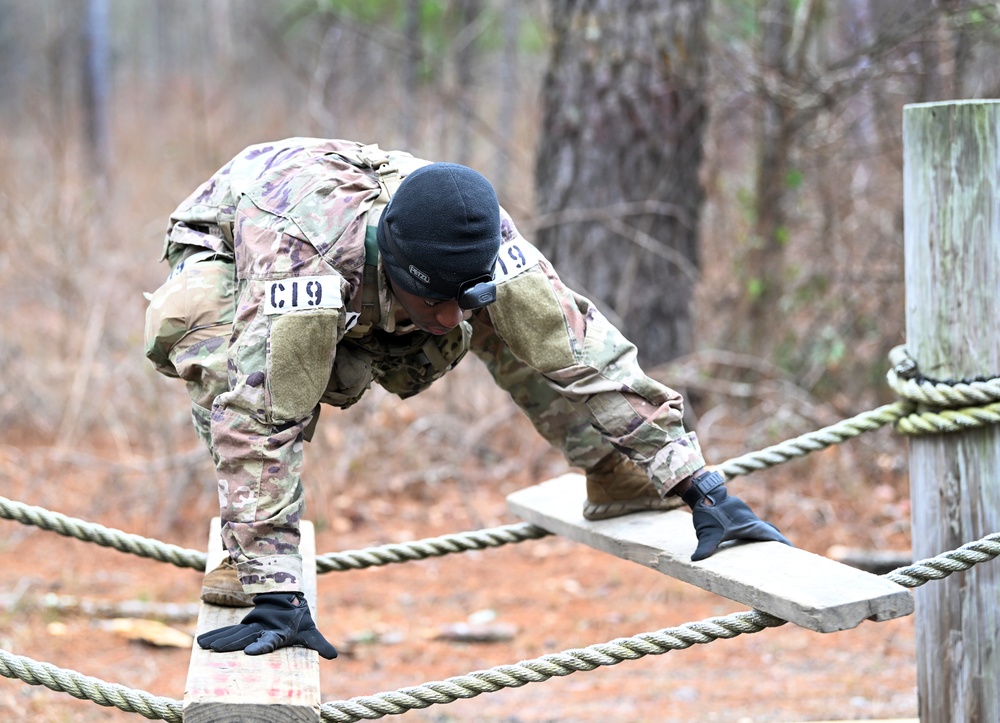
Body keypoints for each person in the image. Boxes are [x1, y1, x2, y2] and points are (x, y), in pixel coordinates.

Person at [144, 138, 790, 659]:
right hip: (237, 242)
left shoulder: (481, 238)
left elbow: (581, 350)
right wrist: (277, 591)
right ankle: (248, 551)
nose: (453, 318)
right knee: (226, 348)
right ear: (401, 276)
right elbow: (263, 416)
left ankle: (612, 470)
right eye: (438, 302)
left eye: (465, 297)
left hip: (377, 258)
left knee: (517, 318)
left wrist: (700, 485)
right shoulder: (303, 268)